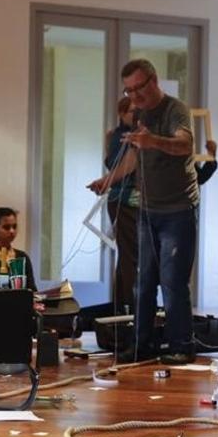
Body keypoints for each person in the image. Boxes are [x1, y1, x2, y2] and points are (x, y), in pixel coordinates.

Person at [87, 59, 199, 365]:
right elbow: (134, 159)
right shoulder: (140, 116)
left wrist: (153, 141)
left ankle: (180, 345)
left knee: (172, 280)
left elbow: (184, 145)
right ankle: (141, 345)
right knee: (143, 280)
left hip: (178, 210)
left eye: (138, 88)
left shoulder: (175, 110)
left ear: (153, 81)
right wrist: (106, 181)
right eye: (128, 90)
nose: (134, 96)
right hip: (148, 210)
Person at [101, 97, 141, 315]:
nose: (136, 115)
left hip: (122, 199)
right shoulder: (124, 137)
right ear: (121, 113)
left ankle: (121, 306)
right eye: (132, 111)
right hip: (126, 200)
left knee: (126, 255)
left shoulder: (114, 136)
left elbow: (110, 162)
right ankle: (131, 307)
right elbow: (123, 166)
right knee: (130, 257)